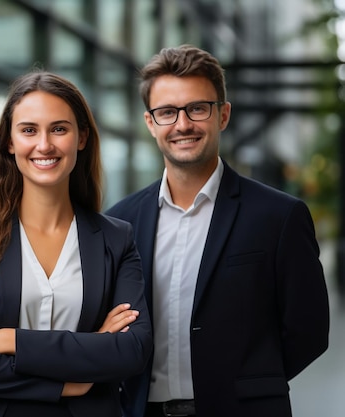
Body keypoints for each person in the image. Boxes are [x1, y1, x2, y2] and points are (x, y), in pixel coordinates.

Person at [106, 44, 330, 417]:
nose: (182, 124)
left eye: (197, 108)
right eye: (167, 112)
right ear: (150, 123)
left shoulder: (279, 216)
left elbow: (308, 330)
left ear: (222, 115)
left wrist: (249, 386)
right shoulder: (119, 221)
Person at [0, 71, 153, 417]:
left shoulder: (116, 239)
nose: (44, 145)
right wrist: (75, 374)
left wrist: (12, 340)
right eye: (28, 130)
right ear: (9, 142)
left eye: (59, 129)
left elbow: (133, 350)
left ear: (81, 137)